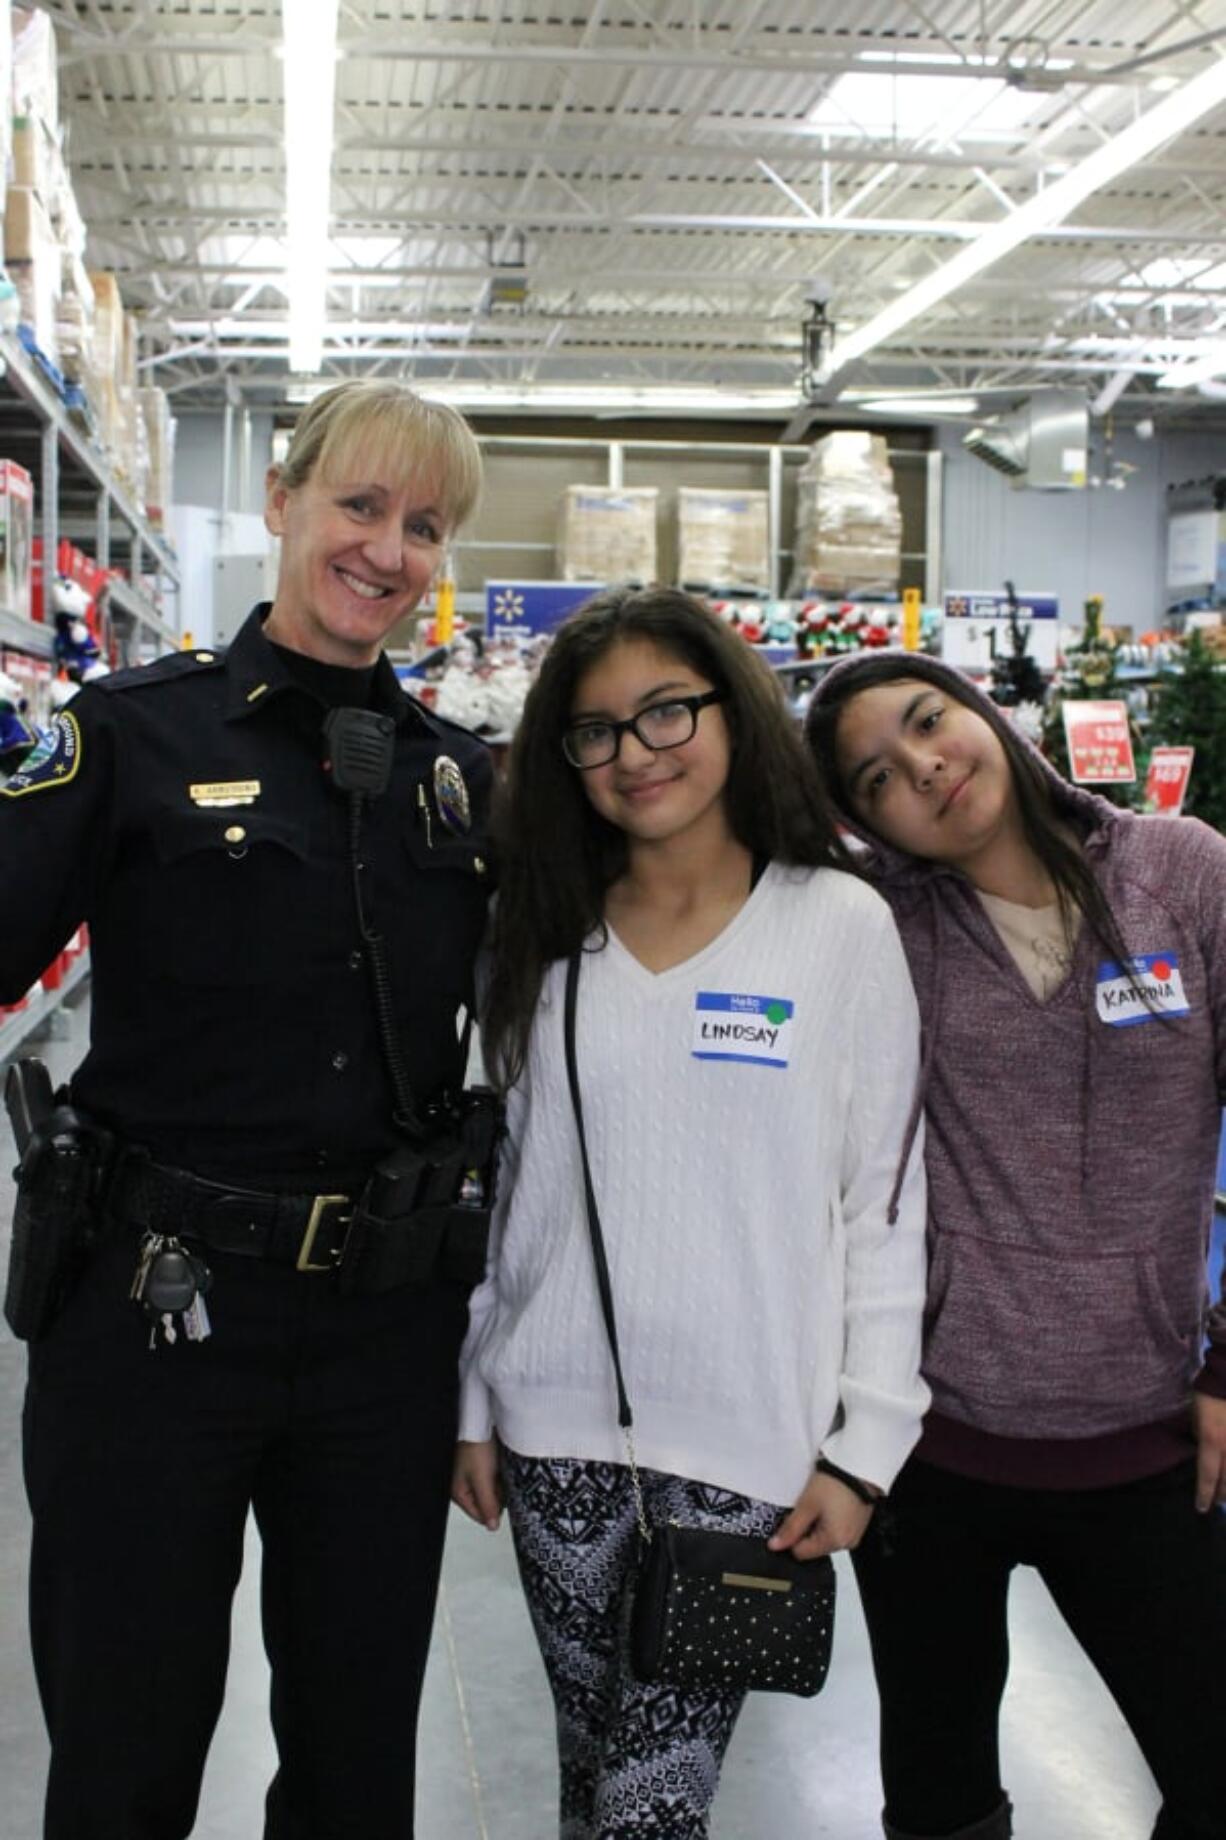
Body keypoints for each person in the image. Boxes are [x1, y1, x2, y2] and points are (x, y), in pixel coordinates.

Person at [1, 379, 495, 1840]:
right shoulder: (124, 737)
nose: (388, 551)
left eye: (424, 526)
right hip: (156, 1321)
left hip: (382, 1339)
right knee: (126, 1743)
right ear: (283, 501)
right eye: (360, 506)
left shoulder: (458, 783)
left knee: (355, 1761)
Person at [451, 587, 929, 1839]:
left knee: (650, 1800)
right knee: (588, 1762)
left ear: (732, 711)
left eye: (666, 710)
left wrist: (864, 1439)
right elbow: (504, 1190)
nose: (635, 752)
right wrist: (471, 1401)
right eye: (596, 730)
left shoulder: (837, 924)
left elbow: (881, 1202)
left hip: (747, 1453)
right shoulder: (538, 934)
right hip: (554, 1433)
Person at [805, 652, 1226, 1840]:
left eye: (929, 722)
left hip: (1146, 1441)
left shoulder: (1177, 872)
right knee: (938, 1803)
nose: (924, 767)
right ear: (859, 816)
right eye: (876, 775)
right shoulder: (876, 927)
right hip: (930, 1458)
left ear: (982, 710)